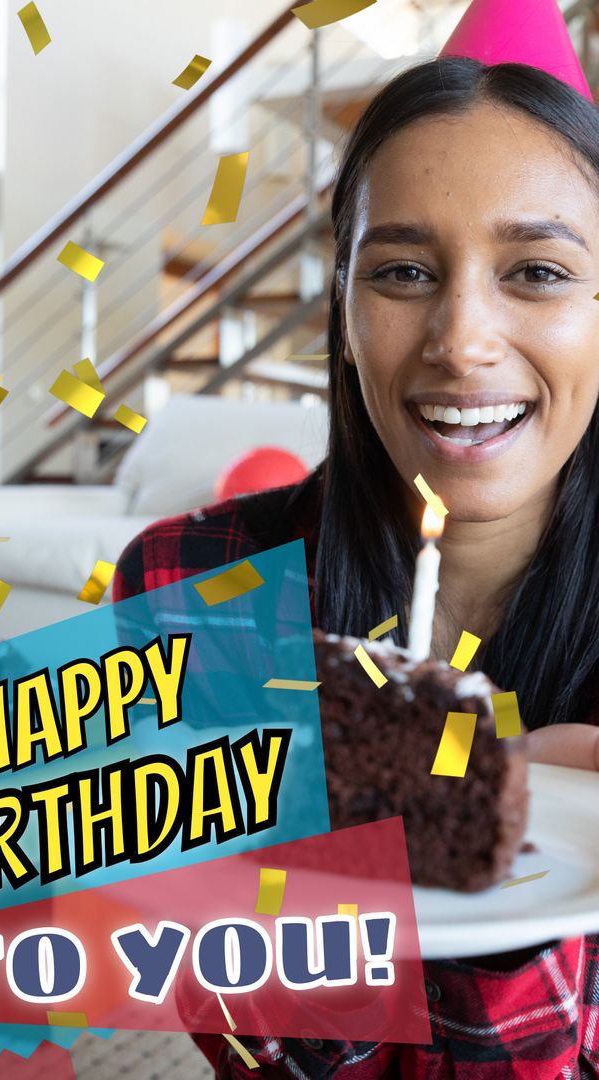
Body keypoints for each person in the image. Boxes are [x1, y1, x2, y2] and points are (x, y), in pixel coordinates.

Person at [113, 31, 599, 1080]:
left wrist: (514, 879)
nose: (460, 341)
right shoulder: (191, 587)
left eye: (537, 271)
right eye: (403, 271)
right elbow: (254, 1043)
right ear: (339, 306)